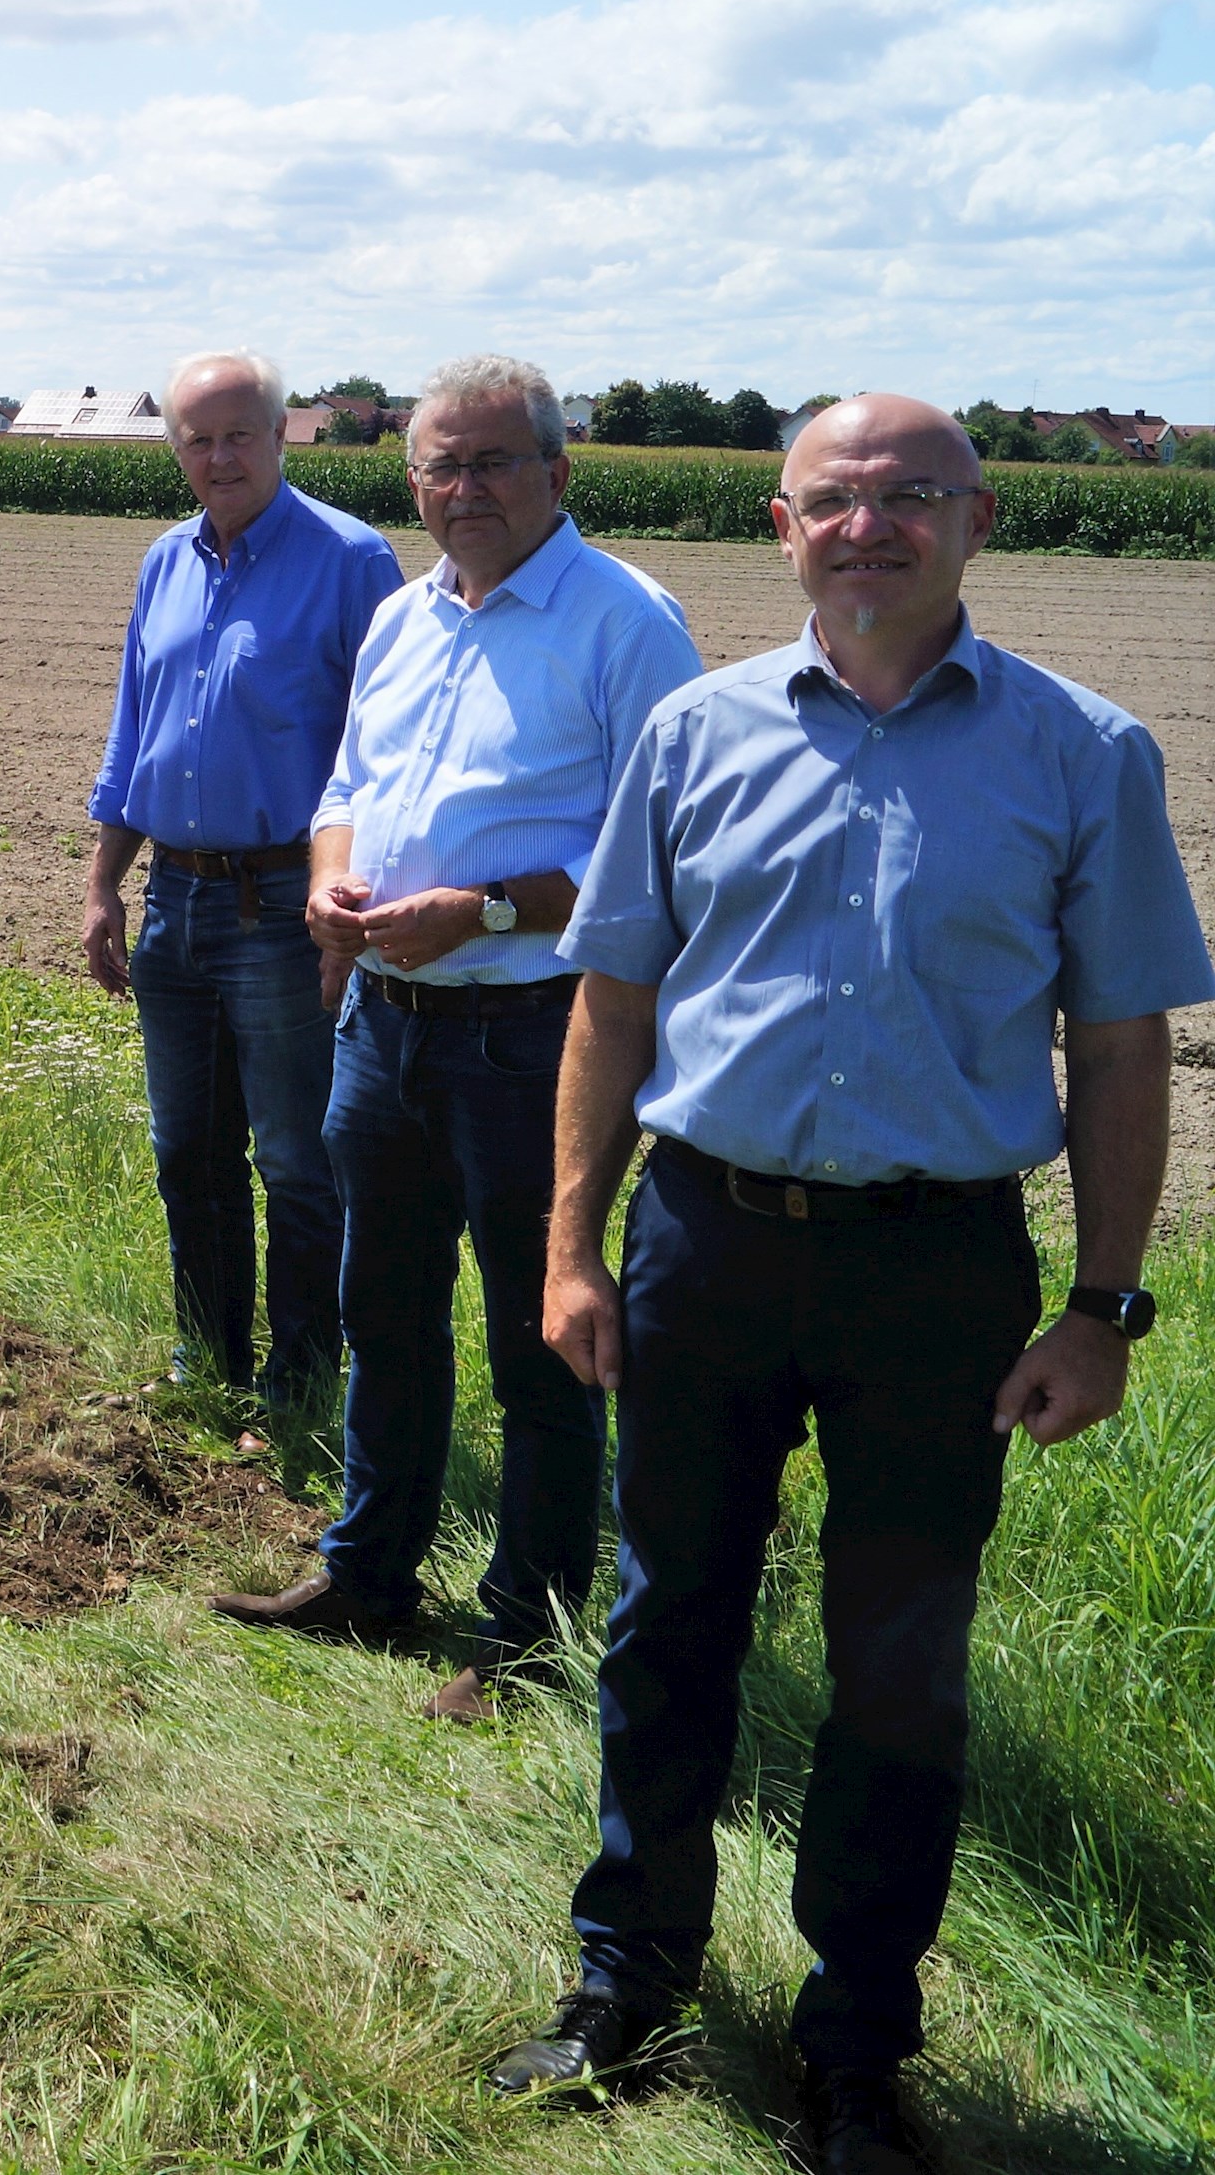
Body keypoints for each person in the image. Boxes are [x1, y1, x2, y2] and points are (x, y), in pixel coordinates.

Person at [488, 396, 1205, 2174]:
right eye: (836, 500)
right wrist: (573, 1245)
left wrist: (1101, 1307)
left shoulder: (1082, 752)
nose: (869, 526)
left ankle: (855, 2054)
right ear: (779, 523)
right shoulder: (690, 730)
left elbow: (1120, 1047)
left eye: (909, 498)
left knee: (900, 1676)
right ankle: (624, 1979)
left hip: (935, 1274)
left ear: (978, 524)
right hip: (705, 1247)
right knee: (667, 1627)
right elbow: (612, 1004)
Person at [213, 354, 703, 1723]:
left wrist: (479, 904)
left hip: (538, 1029)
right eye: (441, 463)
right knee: (386, 1307)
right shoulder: (407, 618)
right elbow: (350, 783)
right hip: (387, 1019)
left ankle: (526, 1630)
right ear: (410, 478)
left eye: (493, 461)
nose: (465, 487)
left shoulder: (626, 623)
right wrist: (330, 877)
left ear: (559, 471)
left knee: (538, 1331)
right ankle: (368, 1571)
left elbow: (658, 852)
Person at [82, 348, 402, 1424]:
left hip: (281, 908)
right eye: (195, 438)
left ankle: (303, 1379)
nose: (216, 456)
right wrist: (101, 888)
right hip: (173, 895)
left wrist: (340, 913)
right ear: (175, 448)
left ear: (281, 436)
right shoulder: (163, 562)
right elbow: (134, 732)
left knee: (297, 1162)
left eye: (236, 434)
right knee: (188, 1152)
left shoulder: (351, 562)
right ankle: (204, 1359)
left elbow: (380, 753)